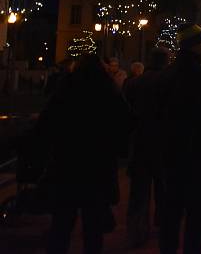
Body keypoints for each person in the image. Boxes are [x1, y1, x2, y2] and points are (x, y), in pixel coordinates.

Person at [35, 54, 131, 254]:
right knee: (93, 227)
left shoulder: (65, 90)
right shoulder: (109, 92)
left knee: (61, 223)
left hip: (66, 164)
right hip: (98, 166)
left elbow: (45, 125)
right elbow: (125, 125)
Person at [158, 23, 201, 254]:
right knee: (196, 217)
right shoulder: (199, 76)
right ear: (195, 47)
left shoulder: (167, 74)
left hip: (171, 154)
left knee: (171, 213)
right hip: (198, 157)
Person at [124, 48, 171, 248]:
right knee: (163, 188)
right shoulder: (169, 83)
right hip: (163, 141)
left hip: (141, 139)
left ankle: (137, 229)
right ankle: (164, 225)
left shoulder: (135, 83)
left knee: (139, 190)